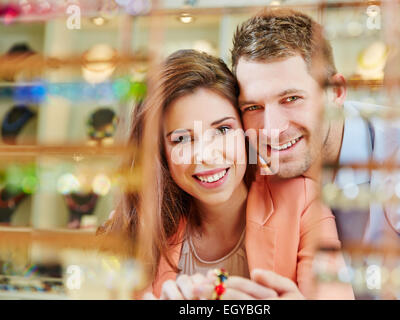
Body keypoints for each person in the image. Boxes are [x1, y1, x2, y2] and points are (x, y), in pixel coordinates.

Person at [196, 8, 400, 300]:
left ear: (337, 92)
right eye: (253, 107)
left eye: (291, 99)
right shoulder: (243, 164)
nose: (272, 129)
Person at [97, 49, 353, 300]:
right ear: (161, 153)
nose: (207, 155)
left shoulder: (302, 201)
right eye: (182, 139)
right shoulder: (133, 226)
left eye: (222, 130)